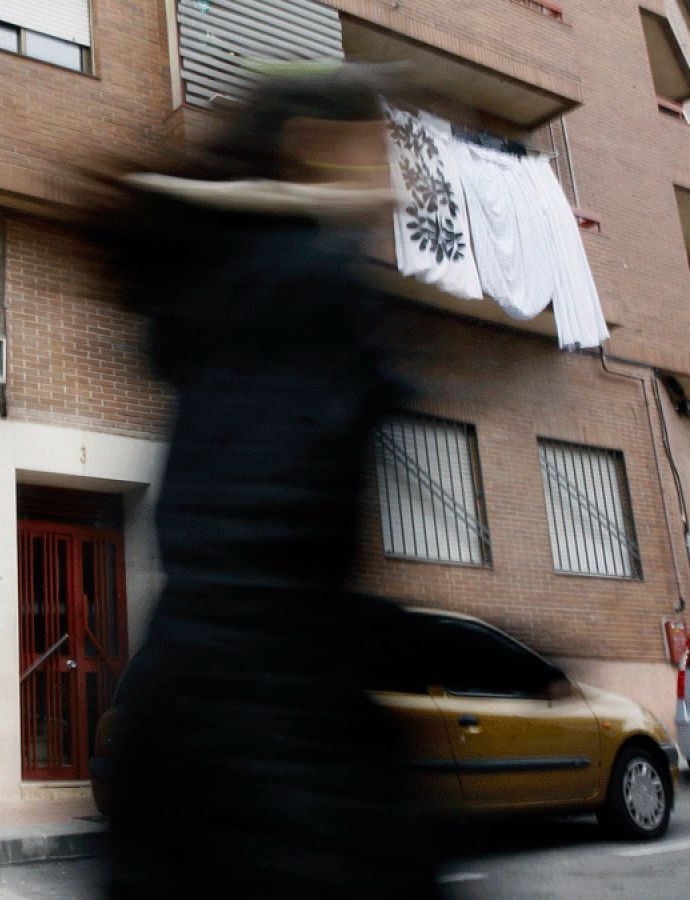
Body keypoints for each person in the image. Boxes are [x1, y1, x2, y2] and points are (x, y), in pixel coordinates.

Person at [90, 72, 443, 898]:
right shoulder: (308, 287)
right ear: (312, 148)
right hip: (267, 747)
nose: (396, 188)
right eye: (376, 151)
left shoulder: (228, 290)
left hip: (185, 728)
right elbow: (268, 558)